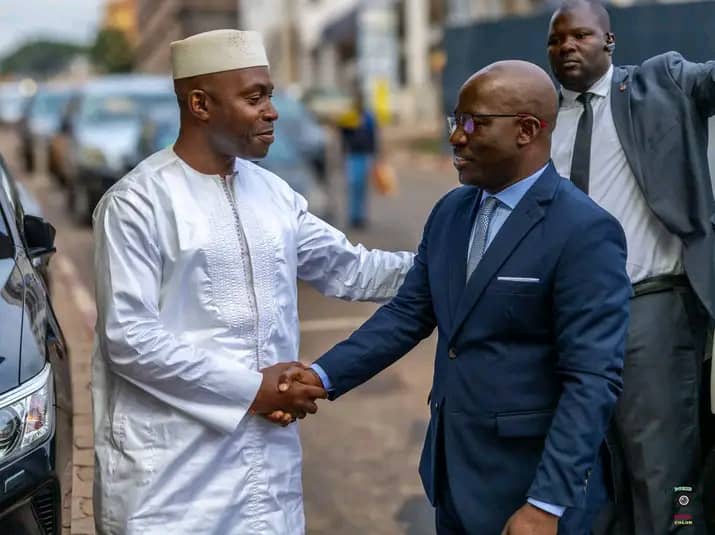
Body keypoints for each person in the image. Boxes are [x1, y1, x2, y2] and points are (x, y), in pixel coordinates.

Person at [279, 60, 631, 534]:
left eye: (474, 123)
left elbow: (591, 380)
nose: (456, 137)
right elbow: (407, 314)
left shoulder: (583, 230)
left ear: (527, 130)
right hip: (454, 475)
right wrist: (321, 376)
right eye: (455, 120)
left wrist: (545, 505)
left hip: (529, 488)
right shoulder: (451, 211)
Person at [91, 29, 414, 535]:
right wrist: (252, 389)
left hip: (266, 470)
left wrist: (457, 260)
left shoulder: (273, 194)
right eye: (254, 97)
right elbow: (129, 338)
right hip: (172, 479)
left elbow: (351, 268)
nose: (272, 112)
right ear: (200, 104)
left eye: (270, 95)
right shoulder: (137, 204)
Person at [546, 2, 715, 533]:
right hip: (570, 320)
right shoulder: (541, 121)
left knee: (667, 474)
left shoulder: (661, 83)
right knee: (599, 476)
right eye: (556, 40)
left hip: (651, 310)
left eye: (580, 35)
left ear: (609, 41)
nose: (567, 46)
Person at [339, 90, 378, 228]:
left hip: (364, 155)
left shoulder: (368, 118)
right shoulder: (349, 117)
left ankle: (361, 215)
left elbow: (373, 136)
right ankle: (353, 216)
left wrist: (374, 154)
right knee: (353, 186)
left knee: (362, 187)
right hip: (352, 155)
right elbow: (343, 134)